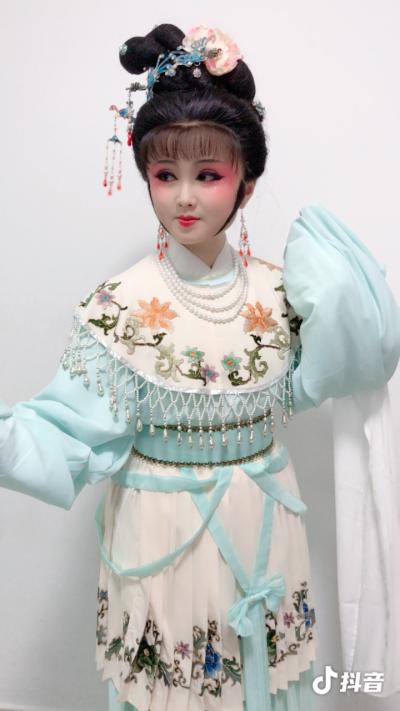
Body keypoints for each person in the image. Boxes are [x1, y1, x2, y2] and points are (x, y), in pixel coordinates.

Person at [1, 22, 400, 711]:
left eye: (208, 175)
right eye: (166, 175)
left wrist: (342, 296)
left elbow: (330, 371)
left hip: (265, 520)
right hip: (162, 533)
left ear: (246, 182)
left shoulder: (280, 293)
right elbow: (63, 434)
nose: (184, 197)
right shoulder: (121, 305)